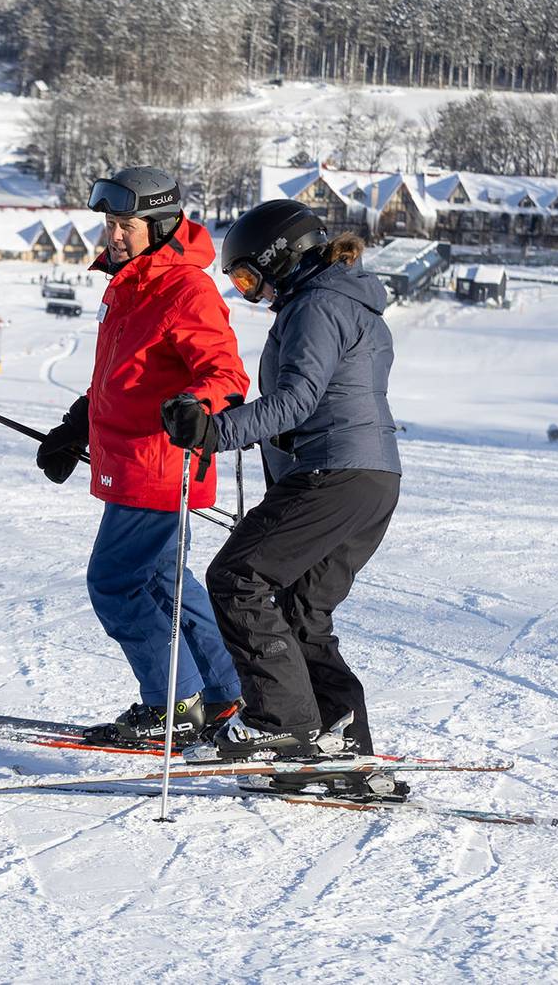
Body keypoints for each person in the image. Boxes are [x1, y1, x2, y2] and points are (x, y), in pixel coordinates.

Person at [161, 198, 401, 762]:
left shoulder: (316, 306)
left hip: (333, 473)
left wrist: (214, 432)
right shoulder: (352, 304)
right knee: (300, 608)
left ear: (284, 259)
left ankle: (282, 723)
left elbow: (296, 401)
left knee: (238, 576)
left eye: (250, 278)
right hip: (372, 478)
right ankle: (337, 731)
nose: (254, 294)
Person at [35, 165, 248, 745]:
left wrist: (195, 407)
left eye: (126, 225)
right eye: (109, 223)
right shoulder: (129, 282)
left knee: (115, 583)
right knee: (164, 580)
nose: (113, 235)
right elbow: (120, 375)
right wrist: (76, 426)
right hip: (129, 460)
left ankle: (171, 706)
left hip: (160, 462)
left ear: (159, 224)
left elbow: (227, 376)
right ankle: (224, 694)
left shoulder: (185, 288)